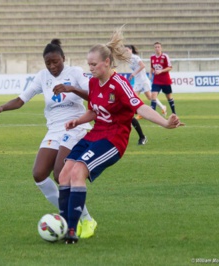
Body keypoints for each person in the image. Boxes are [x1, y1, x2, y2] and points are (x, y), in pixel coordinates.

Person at [58, 27, 184, 244]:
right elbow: (94, 110)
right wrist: (77, 121)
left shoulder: (120, 85)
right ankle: (63, 222)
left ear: (107, 62)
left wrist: (165, 123)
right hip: (95, 134)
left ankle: (70, 230)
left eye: (94, 64)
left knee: (78, 171)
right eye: (88, 64)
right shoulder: (93, 82)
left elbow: (140, 108)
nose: (91, 68)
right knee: (64, 173)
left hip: (113, 140)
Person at [0, 39, 97, 239]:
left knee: (60, 173)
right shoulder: (42, 77)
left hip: (75, 126)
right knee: (38, 174)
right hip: (54, 130)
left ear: (63, 58)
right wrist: (1, 107)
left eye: (56, 62)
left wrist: (70, 89)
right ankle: (73, 219)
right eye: (48, 63)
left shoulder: (75, 73)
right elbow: (21, 99)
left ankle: (85, 219)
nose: (52, 67)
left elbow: (94, 95)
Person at [124, 45, 166, 119]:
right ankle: (142, 112)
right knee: (134, 97)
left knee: (150, 97)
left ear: (131, 50)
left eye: (127, 50)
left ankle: (162, 107)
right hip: (137, 81)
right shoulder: (128, 59)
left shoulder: (135, 57)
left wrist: (134, 73)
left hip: (143, 80)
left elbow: (142, 65)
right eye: (125, 51)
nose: (126, 52)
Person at [150, 42, 176, 115]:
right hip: (156, 80)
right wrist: (150, 73)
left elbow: (170, 67)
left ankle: (174, 113)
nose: (157, 48)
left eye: (158, 47)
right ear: (154, 48)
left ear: (161, 48)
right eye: (156, 47)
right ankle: (153, 114)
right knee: (153, 96)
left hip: (165, 80)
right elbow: (152, 67)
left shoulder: (165, 56)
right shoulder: (152, 57)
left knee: (169, 97)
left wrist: (161, 71)